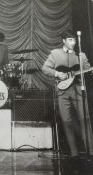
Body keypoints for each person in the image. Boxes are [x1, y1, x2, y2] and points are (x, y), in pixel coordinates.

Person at [42, 29, 93, 157]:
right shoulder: (55, 53)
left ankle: (91, 151)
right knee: (66, 121)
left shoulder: (81, 56)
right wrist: (57, 73)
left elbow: (87, 69)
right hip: (62, 92)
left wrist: (90, 71)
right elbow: (45, 68)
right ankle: (73, 152)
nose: (73, 42)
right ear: (63, 41)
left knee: (84, 119)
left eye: (74, 40)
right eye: (70, 40)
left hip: (78, 90)